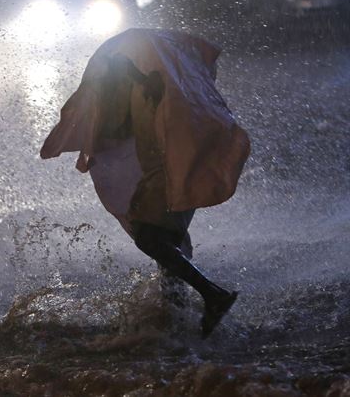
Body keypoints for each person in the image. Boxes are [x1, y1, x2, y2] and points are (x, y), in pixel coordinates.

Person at [40, 29, 250, 338]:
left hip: (175, 171)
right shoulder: (154, 89)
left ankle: (212, 295)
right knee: (166, 245)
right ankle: (179, 323)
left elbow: (134, 116)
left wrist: (135, 76)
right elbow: (116, 125)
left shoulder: (157, 90)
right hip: (178, 168)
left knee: (151, 239)